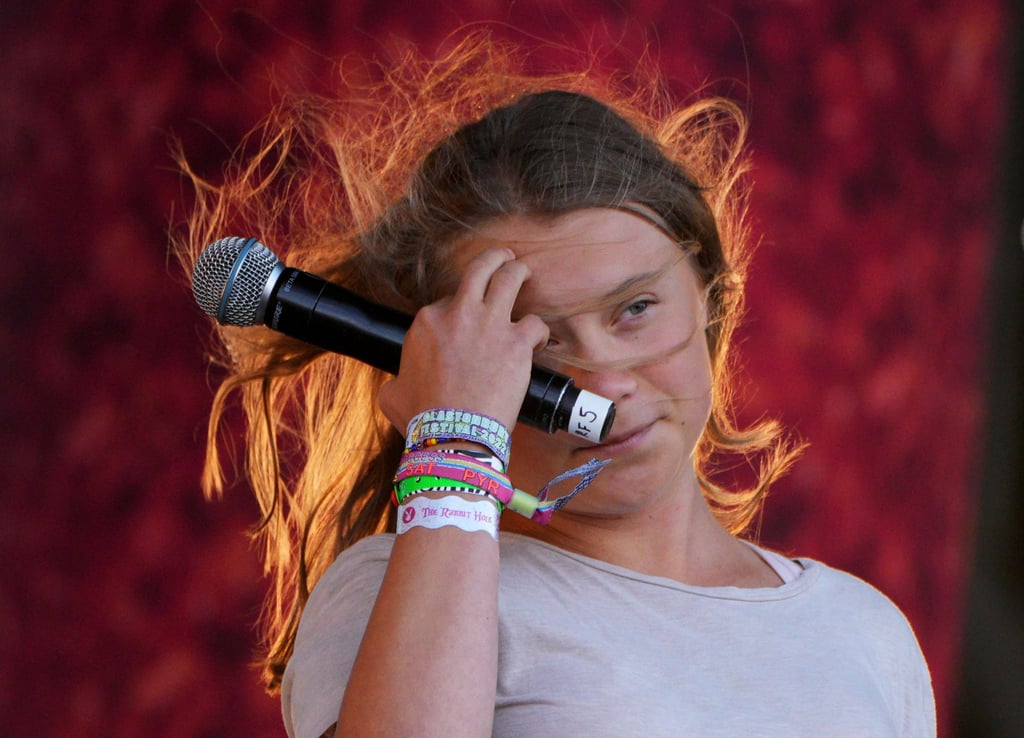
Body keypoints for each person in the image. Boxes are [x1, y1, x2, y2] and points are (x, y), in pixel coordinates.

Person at [179, 34, 935, 737]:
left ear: (709, 292)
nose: (603, 382)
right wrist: (451, 450)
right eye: (536, 347)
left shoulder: (863, 633)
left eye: (635, 310)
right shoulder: (398, 589)